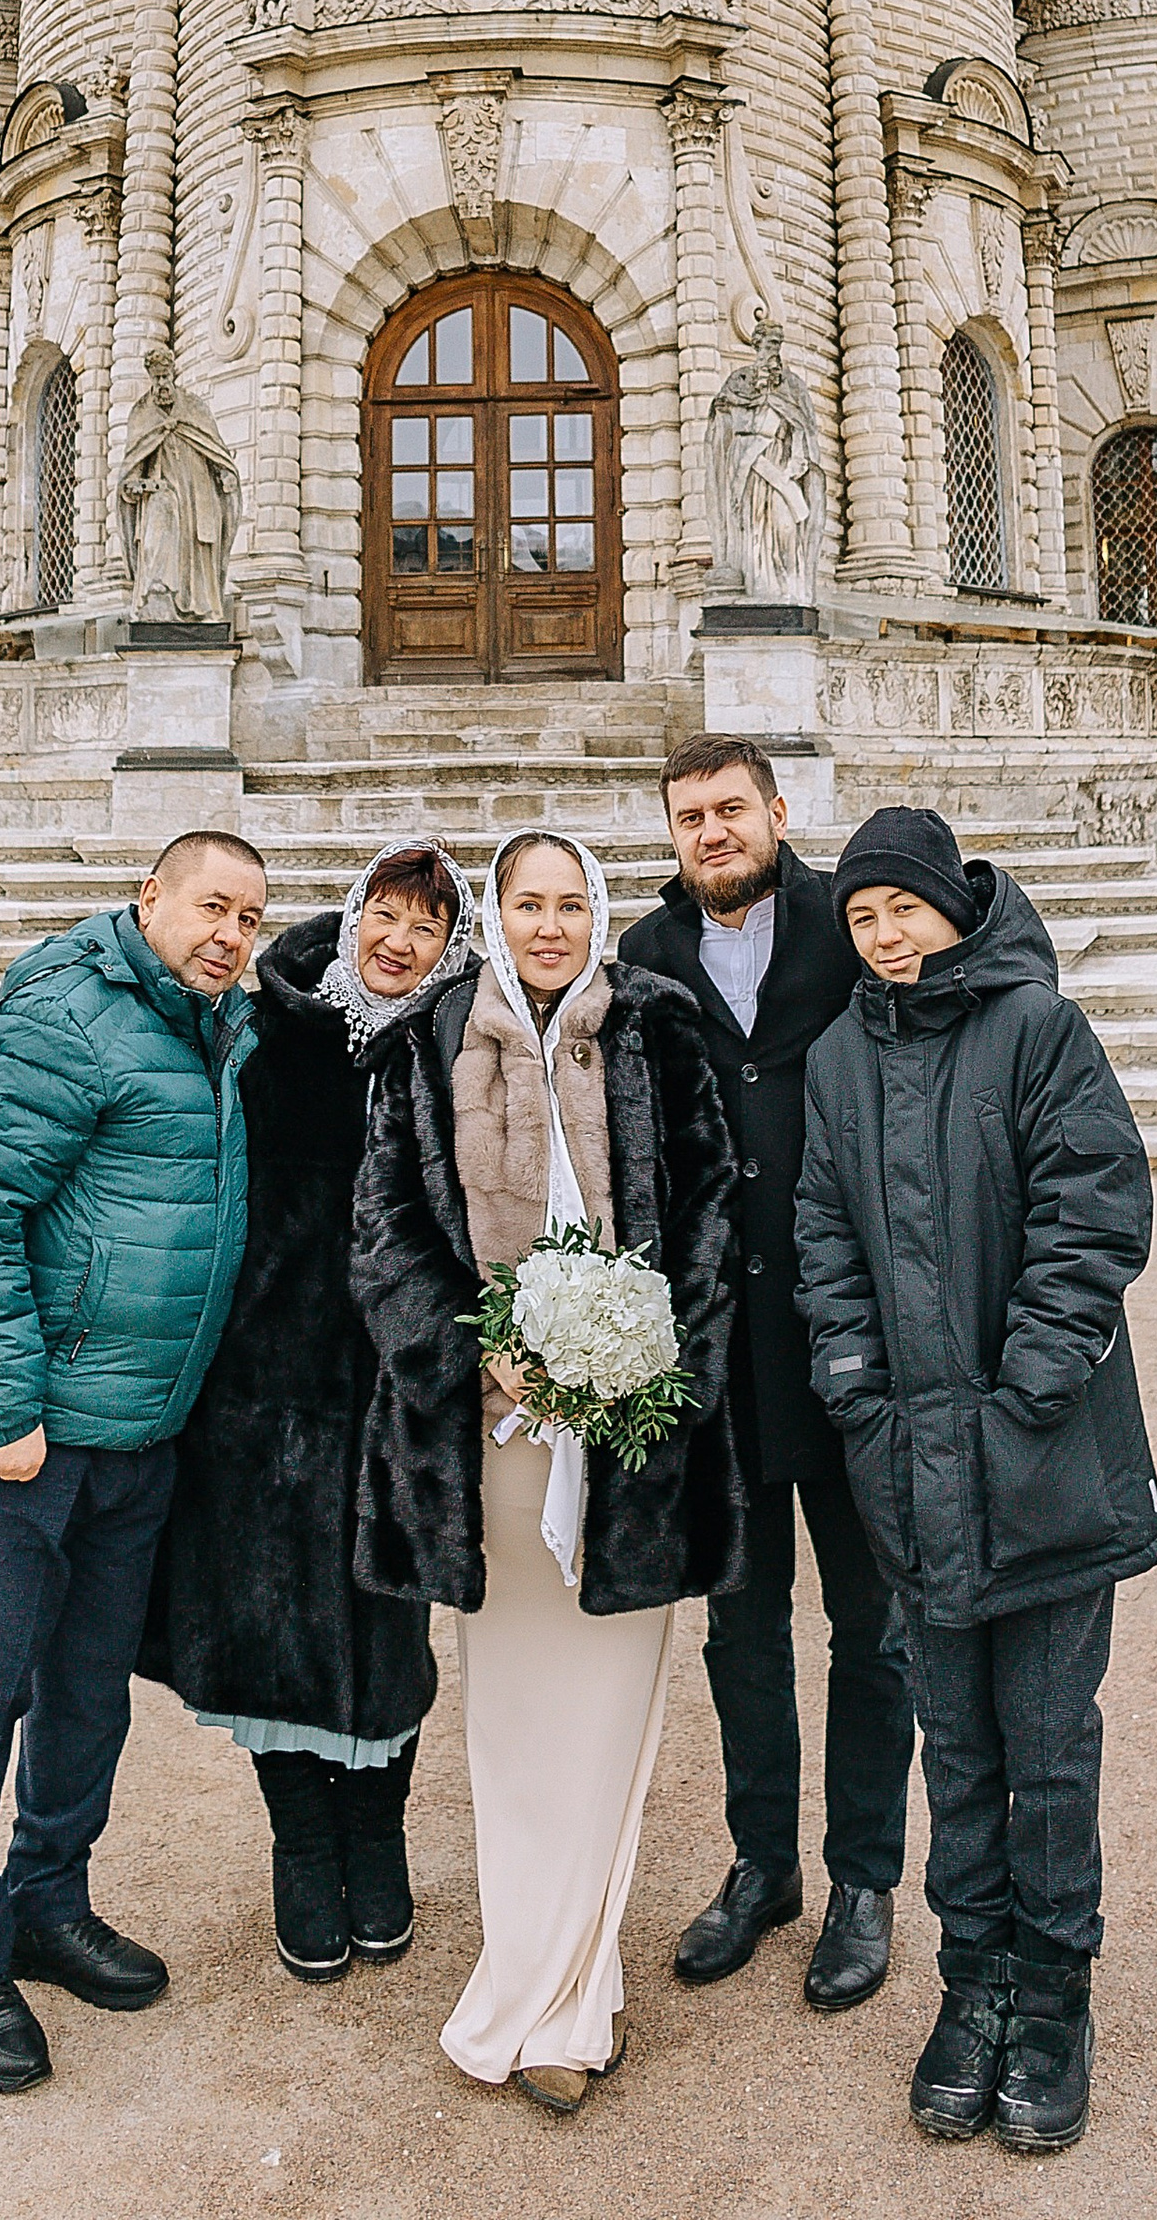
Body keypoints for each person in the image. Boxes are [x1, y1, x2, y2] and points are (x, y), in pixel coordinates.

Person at [351, 829, 745, 2113]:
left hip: (628, 1439)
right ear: (496, 916)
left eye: (572, 904)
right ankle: (533, 1977)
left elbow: (705, 1216)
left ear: (599, 910)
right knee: (515, 1727)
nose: (550, 926)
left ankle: (572, 2004)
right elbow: (389, 1236)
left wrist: (645, 1351)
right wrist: (479, 1356)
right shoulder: (424, 1046)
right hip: (490, 1451)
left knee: (608, 1722)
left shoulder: (657, 1031)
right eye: (527, 903)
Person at [795, 807, 1157, 2157]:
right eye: (862, 919)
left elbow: (1095, 1204)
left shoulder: (1036, 1031)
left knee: (1050, 1753)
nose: (886, 937)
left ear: (955, 905)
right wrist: (851, 1375)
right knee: (954, 1751)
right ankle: (974, 1990)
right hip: (910, 1471)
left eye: (903, 909)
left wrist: (1033, 1382)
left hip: (1046, 1462)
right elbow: (824, 1228)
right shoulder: (840, 1057)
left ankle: (1055, 2000)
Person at [0, 826, 269, 2093]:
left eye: (249, 918)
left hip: (135, 1433)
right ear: (149, 897)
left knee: (84, 1692)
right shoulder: (70, 1013)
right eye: (209, 906)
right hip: (24, 1434)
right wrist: (7, 1409)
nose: (228, 933)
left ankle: (47, 1902)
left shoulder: (214, 1025)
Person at [141, 842, 478, 1980]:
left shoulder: (460, 1050)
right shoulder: (261, 1033)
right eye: (383, 914)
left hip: (400, 1393)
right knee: (269, 1618)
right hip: (264, 1392)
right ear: (350, 919)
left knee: (390, 1627)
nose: (397, 941)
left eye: (424, 928)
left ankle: (375, 1836)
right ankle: (300, 1841)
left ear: (449, 948)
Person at [617, 736, 916, 2010]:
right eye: (690, 818)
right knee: (741, 1627)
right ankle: (762, 1865)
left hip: (851, 1338)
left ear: (778, 813)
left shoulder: (845, 926)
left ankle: (862, 1878)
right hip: (719, 1358)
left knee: (872, 1624)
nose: (712, 833)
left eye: (730, 810)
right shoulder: (641, 956)